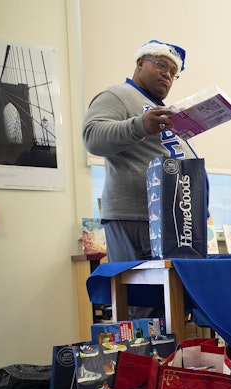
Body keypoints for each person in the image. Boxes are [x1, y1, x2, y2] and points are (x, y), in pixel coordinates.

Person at [83, 39, 197, 263]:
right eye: (161, 65)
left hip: (174, 220)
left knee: (173, 294)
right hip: (135, 218)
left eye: (173, 72)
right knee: (141, 295)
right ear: (140, 63)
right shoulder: (117, 95)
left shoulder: (164, 110)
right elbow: (92, 137)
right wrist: (140, 126)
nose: (167, 74)